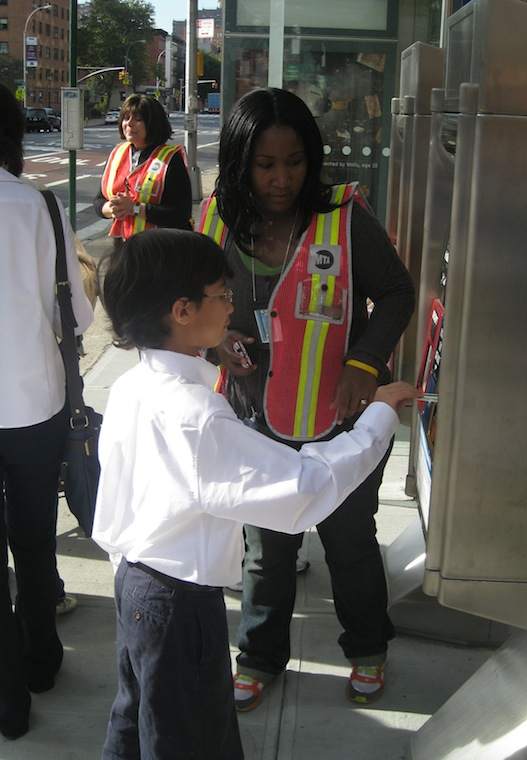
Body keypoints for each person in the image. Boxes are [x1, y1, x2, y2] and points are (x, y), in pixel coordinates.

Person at [92, 228, 417, 760]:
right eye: (222, 295)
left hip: (135, 585)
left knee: (136, 722)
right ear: (182, 310)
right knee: (186, 740)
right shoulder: (197, 416)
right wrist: (377, 416)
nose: (231, 306)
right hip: (178, 606)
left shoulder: (133, 387)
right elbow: (304, 489)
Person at [197, 87, 415, 709]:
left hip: (337, 419)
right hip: (252, 420)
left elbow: (396, 292)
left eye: (294, 162)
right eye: (265, 165)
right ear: (241, 162)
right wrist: (222, 342)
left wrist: (364, 362)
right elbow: (189, 305)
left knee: (349, 542)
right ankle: (260, 655)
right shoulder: (216, 220)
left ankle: (368, 648)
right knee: (267, 547)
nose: (281, 179)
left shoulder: (342, 219)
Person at [0, 84, 93, 740]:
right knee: (33, 540)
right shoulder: (35, 205)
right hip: (35, 402)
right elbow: (78, 313)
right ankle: (41, 661)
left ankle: (8, 706)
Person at [93, 94, 192, 248]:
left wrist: (136, 208)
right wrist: (112, 209)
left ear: (153, 124)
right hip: (124, 249)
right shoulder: (117, 153)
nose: (129, 124)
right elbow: (99, 200)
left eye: (138, 119)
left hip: (162, 251)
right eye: (126, 118)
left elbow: (181, 213)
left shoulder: (170, 159)